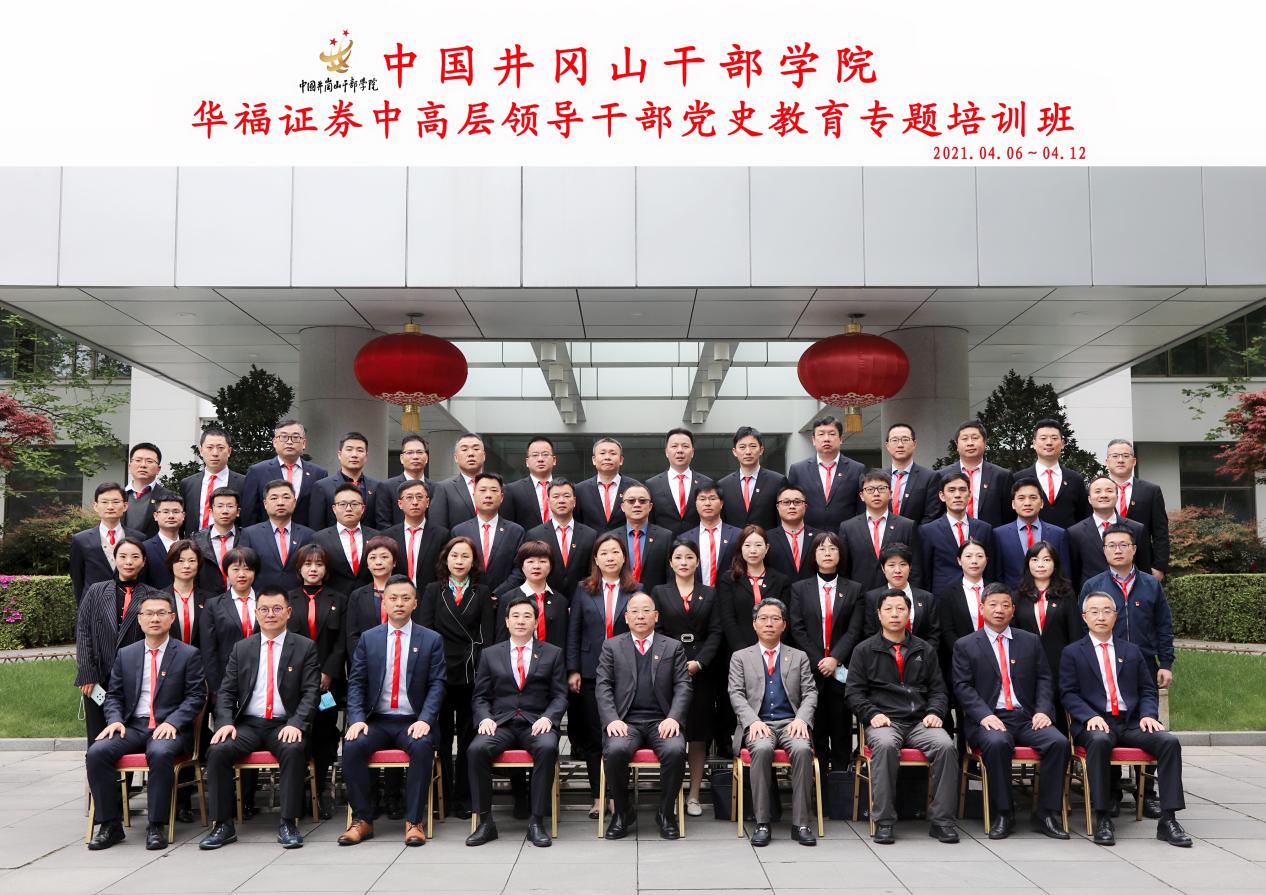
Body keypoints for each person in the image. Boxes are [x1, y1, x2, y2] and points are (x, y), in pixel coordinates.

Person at [1060, 592, 1191, 847]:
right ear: (1084, 617)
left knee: (1169, 742)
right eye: (1094, 611)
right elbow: (1068, 693)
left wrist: (1148, 715)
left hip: (1131, 722)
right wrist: (1089, 715)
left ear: (1115, 616)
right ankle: (1103, 817)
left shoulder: (1131, 650)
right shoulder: (1072, 652)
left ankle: (1168, 819)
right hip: (1095, 722)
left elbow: (1148, 690)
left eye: (1106, 611)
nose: (1101, 616)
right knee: (1099, 741)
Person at [199, 588, 321, 850]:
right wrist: (225, 723)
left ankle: (288, 822)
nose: (270, 614)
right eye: (264, 609)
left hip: (283, 724)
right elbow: (226, 691)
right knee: (218, 750)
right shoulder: (242, 648)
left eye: (277, 609)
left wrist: (296, 723)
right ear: (256, 613)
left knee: (293, 749)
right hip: (249, 725)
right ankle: (222, 825)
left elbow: (311, 693)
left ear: (288, 612)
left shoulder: (305, 647)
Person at [85, 592, 206, 851]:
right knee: (97, 753)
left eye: (161, 613)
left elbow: (196, 696)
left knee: (160, 753)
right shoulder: (126, 654)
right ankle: (110, 825)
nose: (155, 619)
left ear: (171, 618)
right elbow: (114, 695)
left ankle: (156, 825)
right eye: (148, 613)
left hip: (169, 728)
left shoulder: (188, 654)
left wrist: (173, 722)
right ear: (139, 619)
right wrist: (115, 720)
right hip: (133, 726)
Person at [951, 583, 1070, 840]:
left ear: (1013, 610)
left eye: (1005, 605)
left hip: (1026, 717)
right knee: (997, 743)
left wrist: (1043, 710)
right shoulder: (966, 645)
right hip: (989, 718)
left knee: (1058, 742)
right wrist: (985, 715)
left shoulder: (1030, 641)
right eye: (993, 605)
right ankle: (1004, 813)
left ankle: (1046, 813)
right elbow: (962, 687)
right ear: (982, 608)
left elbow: (1044, 679)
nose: (999, 610)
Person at [846, 589, 959, 845]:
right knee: (886, 746)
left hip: (920, 721)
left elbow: (939, 690)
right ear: (879, 614)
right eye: (889, 609)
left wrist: (935, 712)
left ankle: (942, 821)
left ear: (909, 614)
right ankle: (884, 821)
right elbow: (853, 693)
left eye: (901, 609)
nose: (895, 614)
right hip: (884, 721)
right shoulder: (864, 650)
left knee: (945, 746)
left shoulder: (924, 649)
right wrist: (872, 714)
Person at [340, 576, 446, 847]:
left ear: (415, 603)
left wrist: (426, 719)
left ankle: (414, 821)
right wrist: (356, 719)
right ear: (383, 602)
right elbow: (356, 683)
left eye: (405, 598)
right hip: (376, 720)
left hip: (413, 720)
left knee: (421, 746)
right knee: (352, 745)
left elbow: (437, 684)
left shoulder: (431, 639)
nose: (399, 603)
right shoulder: (369, 639)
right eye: (393, 598)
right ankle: (362, 820)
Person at [466, 593, 570, 848]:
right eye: (515, 616)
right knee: (476, 749)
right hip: (501, 723)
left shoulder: (552, 653)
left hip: (536, 722)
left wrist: (549, 717)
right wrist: (485, 718)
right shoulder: (490, 654)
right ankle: (485, 822)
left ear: (536, 621)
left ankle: (537, 821)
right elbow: (480, 696)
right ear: (506, 621)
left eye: (527, 616)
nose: (521, 621)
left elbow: (560, 695)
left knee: (547, 747)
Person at [596, 592, 691, 840]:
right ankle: (622, 812)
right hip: (625, 721)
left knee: (675, 750)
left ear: (656, 616)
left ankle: (666, 812)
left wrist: (674, 717)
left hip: (662, 720)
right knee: (615, 750)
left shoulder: (672, 646)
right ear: (626, 617)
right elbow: (603, 686)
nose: (640, 616)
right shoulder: (612, 646)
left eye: (646, 610)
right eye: (635, 611)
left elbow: (683, 685)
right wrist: (612, 719)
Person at [416, 536, 495, 819]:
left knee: (468, 738)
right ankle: (442, 797)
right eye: (454, 556)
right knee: (442, 736)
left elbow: (488, 636)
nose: (459, 561)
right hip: (439, 672)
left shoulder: (482, 591)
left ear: (474, 562)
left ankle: (464, 797)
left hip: (471, 672)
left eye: (465, 556)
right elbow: (425, 631)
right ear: (445, 559)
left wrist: (481, 668)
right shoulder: (433, 590)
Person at [729, 597, 818, 847]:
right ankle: (762, 822)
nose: (769, 623)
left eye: (775, 619)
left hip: (791, 722)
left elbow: (810, 692)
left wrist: (801, 719)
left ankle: (801, 824)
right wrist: (752, 721)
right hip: (759, 724)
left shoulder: (798, 656)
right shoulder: (740, 657)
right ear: (754, 624)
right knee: (761, 749)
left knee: (802, 750)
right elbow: (735, 693)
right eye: (763, 619)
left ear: (784, 625)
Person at [566, 532, 640, 817]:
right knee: (594, 737)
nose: (610, 558)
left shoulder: (636, 589)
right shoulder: (584, 589)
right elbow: (574, 630)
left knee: (619, 735)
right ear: (596, 559)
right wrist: (573, 668)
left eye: (615, 552)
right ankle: (598, 796)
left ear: (624, 557)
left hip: (625, 671)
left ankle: (616, 795)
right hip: (589, 670)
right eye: (604, 553)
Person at [650, 539, 722, 816]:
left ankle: (693, 795)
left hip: (701, 670)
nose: (684, 562)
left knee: (697, 734)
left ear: (697, 562)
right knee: (671, 732)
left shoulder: (709, 593)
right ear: (670, 562)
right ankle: (671, 793)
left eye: (689, 557)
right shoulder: (660, 591)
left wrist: (700, 662)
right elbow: (657, 629)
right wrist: (677, 663)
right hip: (668, 667)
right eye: (678, 557)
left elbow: (716, 632)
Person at [789, 532, 863, 772]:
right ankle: (819, 787)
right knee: (816, 732)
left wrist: (835, 658)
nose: (827, 553)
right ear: (814, 555)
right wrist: (820, 660)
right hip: (812, 671)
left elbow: (854, 630)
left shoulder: (854, 589)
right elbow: (797, 628)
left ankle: (841, 785)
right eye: (821, 549)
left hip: (842, 670)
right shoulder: (800, 588)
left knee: (841, 732)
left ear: (840, 555)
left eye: (833, 549)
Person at [285, 543, 346, 819]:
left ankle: (320, 791)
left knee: (323, 734)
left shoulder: (338, 599)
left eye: (318, 564)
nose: (313, 569)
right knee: (299, 735)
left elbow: (341, 642)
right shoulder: (288, 599)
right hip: (294, 684)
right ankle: (298, 794)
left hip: (327, 685)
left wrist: (328, 672)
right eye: (307, 564)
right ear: (299, 569)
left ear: (326, 569)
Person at [76, 537, 157, 741]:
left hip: (135, 677)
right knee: (97, 736)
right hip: (98, 676)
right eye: (123, 556)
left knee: (126, 736)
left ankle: (126, 766)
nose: (128, 562)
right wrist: (87, 674)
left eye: (135, 557)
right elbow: (83, 632)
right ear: (115, 559)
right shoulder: (96, 591)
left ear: (143, 562)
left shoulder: (152, 596)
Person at [1013, 541, 1082, 723]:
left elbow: (1075, 633)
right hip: (1027, 665)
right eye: (1035, 560)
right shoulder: (1018, 596)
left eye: (1047, 559)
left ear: (1055, 564)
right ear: (1028, 564)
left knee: (1059, 717)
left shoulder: (1067, 594)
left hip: (1060, 665)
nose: (1041, 565)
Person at [839, 470, 923, 591]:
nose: (876, 493)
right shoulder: (848, 527)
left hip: (897, 595)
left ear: (890, 494)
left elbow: (916, 568)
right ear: (861, 496)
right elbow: (844, 569)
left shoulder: (907, 526)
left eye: (882, 489)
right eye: (870, 489)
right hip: (860, 594)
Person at [1066, 475, 1153, 589]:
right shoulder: (1075, 532)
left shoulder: (1136, 529)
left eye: (1109, 491)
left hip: (1130, 593)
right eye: (1098, 491)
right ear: (1089, 499)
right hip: (1092, 595)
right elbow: (1074, 573)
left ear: (1117, 496)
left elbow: (1144, 568)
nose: (1103, 495)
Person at [239, 419, 328, 528]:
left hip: (307, 536)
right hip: (266, 536)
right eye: (284, 437)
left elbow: (320, 513)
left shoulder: (318, 473)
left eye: (295, 437)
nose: (289, 442)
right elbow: (249, 511)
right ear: (274, 442)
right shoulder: (257, 472)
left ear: (304, 443)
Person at [518, 478, 596, 601]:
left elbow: (593, 572)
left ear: (574, 501)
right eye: (556, 496)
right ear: (548, 501)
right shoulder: (534, 534)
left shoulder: (590, 535)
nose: (561, 500)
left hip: (582, 600)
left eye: (566, 496)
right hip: (545, 601)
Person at [200, 546, 261, 701]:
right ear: (226, 572)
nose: (241, 574)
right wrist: (216, 689)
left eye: (247, 569)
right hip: (227, 678)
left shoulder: (266, 601)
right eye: (235, 569)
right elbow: (208, 651)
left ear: (255, 572)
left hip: (263, 676)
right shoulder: (213, 605)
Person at [719, 525, 792, 654]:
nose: (753, 550)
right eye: (747, 545)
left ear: (767, 548)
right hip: (739, 651)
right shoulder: (729, 579)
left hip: (774, 651)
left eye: (758, 545)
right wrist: (743, 652)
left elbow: (785, 619)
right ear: (740, 548)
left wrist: (772, 648)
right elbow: (728, 618)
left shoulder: (781, 581)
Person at [920, 470, 994, 596]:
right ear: (942, 496)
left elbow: (991, 570)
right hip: (942, 597)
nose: (957, 495)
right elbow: (925, 572)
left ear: (969, 494)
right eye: (951, 490)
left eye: (962, 490)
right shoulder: (928, 531)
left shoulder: (984, 529)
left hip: (979, 596)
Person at [1104, 438, 1169, 580]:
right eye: (1115, 456)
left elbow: (1160, 532)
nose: (1120, 460)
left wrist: (1159, 567)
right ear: (1107, 462)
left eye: (1125, 456)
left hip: (1143, 565)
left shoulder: (1151, 491)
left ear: (1134, 461)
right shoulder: (1096, 492)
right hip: (1103, 564)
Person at [452, 472, 526, 594]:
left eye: (493, 490)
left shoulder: (516, 531)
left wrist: (498, 594)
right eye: (482, 490)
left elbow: (519, 569)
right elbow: (454, 567)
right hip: (468, 597)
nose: (488, 495)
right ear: (474, 495)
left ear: (501, 497)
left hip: (504, 599)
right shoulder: (459, 531)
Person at [786, 414, 864, 531]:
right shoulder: (798, 470)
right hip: (808, 534)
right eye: (821, 434)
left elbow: (862, 508)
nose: (826, 438)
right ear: (813, 440)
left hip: (845, 535)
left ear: (841, 439)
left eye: (832, 434)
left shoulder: (856, 469)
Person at [70, 482, 143, 604]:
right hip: (94, 605)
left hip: (130, 604)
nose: (110, 506)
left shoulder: (139, 538)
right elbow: (77, 579)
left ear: (125, 506)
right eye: (104, 502)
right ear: (96, 506)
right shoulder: (80, 540)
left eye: (115, 502)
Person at [992, 477, 1071, 590]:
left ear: (1042, 503)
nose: (1027, 503)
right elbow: (998, 575)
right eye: (1021, 498)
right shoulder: (999, 534)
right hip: (1013, 597)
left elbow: (1064, 574)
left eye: (1033, 498)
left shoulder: (1058, 534)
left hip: (1050, 596)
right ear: (1013, 504)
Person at [238, 480, 315, 593]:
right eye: (274, 498)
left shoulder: (309, 535)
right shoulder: (250, 534)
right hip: (262, 597)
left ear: (294, 502)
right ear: (265, 504)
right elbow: (242, 568)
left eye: (286, 497)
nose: (280, 502)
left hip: (300, 598)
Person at [862, 543, 941, 652]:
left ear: (910, 567)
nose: (897, 570)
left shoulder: (926, 597)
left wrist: (921, 656)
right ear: (883, 568)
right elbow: (869, 634)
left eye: (903, 564)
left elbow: (934, 634)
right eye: (891, 565)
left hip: (920, 657)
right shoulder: (872, 597)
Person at [1013, 419, 1089, 531]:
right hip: (1031, 538)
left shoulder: (1075, 479)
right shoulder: (1018, 478)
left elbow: (1083, 516)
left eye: (1054, 438)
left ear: (1062, 443)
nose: (1049, 442)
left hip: (1068, 539)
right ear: (1034, 443)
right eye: (1043, 438)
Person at [937, 537, 995, 684]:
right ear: (959, 560)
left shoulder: (997, 591)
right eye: (968, 556)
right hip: (963, 661)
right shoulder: (948, 594)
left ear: (986, 561)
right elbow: (948, 631)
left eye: (979, 556)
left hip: (996, 657)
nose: (974, 561)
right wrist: (965, 654)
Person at [311, 482, 379, 596]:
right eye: (342, 504)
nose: (348, 509)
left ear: (362, 508)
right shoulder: (319, 539)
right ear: (334, 509)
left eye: (354, 504)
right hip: (333, 599)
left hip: (368, 598)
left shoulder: (376, 537)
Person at [942, 420, 1014, 527]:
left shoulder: (1002, 476)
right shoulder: (942, 475)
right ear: (957, 445)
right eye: (964, 439)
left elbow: (1009, 516)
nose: (970, 443)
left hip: (991, 535)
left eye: (975, 438)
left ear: (985, 442)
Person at [343, 535, 402, 664]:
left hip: (401, 659)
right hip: (366, 661)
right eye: (373, 557)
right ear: (367, 564)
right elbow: (352, 636)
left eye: (384, 557)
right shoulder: (357, 596)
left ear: (394, 562)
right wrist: (361, 662)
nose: (378, 562)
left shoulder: (406, 592)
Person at [644, 427, 715, 536]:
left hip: (697, 543)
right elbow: (649, 521)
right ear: (666, 452)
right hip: (663, 543)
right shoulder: (652, 485)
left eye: (685, 446)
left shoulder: (707, 483)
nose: (680, 450)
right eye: (674, 446)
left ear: (692, 452)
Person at [178, 426, 245, 537]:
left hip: (231, 544)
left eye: (220, 448)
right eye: (209, 447)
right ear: (201, 451)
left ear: (229, 451)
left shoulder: (243, 483)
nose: (215, 453)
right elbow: (181, 520)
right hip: (194, 544)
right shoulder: (188, 483)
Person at [381, 480, 448, 590]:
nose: (415, 502)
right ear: (400, 504)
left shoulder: (441, 535)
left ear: (427, 502)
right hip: (397, 594)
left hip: (430, 594)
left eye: (419, 497)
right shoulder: (388, 536)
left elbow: (444, 570)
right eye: (409, 497)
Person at [310, 431, 383, 532]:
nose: (354, 455)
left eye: (360, 450)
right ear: (339, 455)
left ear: (366, 456)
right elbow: (316, 527)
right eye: (349, 450)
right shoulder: (322, 486)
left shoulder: (376, 487)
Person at [717, 426, 786, 532]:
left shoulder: (778, 481)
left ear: (761, 450)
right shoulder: (723, 485)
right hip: (734, 541)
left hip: (767, 541)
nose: (748, 452)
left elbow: (782, 519)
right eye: (742, 447)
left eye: (753, 446)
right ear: (734, 452)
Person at [678, 484, 741, 589]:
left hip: (730, 593)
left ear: (721, 503)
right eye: (702, 499)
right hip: (696, 594)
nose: (707, 503)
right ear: (696, 504)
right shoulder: (684, 538)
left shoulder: (737, 535)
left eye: (712, 498)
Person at [575, 436, 639, 531]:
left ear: (621, 460)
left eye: (613, 453)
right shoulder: (579, 489)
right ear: (594, 460)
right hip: (592, 540)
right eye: (602, 453)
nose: (607, 457)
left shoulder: (635, 487)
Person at [618, 483, 673, 592]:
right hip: (620, 598)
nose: (637, 505)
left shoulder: (665, 537)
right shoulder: (612, 538)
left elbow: (671, 575)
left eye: (642, 501)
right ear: (622, 507)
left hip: (654, 598)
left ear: (650, 506)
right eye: (631, 501)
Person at [884, 423, 942, 524]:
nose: (900, 445)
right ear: (887, 445)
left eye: (905, 439)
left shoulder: (929, 477)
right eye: (894, 440)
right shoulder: (879, 478)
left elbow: (931, 516)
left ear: (914, 444)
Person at [428, 432, 486, 530]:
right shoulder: (443, 489)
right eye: (464, 450)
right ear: (456, 458)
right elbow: (438, 528)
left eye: (476, 449)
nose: (471, 454)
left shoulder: (500, 488)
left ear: (484, 456)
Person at [375, 434, 432, 530]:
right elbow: (383, 524)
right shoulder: (386, 487)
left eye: (419, 452)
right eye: (410, 452)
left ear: (426, 457)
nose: (415, 456)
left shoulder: (437, 488)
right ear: (401, 458)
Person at [191, 486, 242, 593]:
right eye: (220, 506)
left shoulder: (247, 537)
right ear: (210, 512)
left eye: (230, 506)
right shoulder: (196, 540)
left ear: (238, 511)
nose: (225, 511)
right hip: (207, 598)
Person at [502, 435, 558, 530]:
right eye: (535, 455)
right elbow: (508, 526)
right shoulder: (512, 490)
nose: (540, 459)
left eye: (545, 454)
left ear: (554, 460)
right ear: (527, 462)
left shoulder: (566, 489)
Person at [766, 484, 820, 582]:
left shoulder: (820, 537)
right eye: (786, 502)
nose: (792, 506)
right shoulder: (766, 538)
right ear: (778, 507)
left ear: (805, 506)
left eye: (797, 502)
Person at [141, 491, 186, 589]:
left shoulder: (190, 547)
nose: (171, 516)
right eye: (165, 512)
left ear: (183, 516)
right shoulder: (144, 548)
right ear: (156, 516)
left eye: (176, 512)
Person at [123, 443, 163, 537]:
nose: (143, 465)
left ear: (158, 469)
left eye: (149, 461)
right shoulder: (117, 496)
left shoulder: (168, 497)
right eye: (138, 460)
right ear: (129, 467)